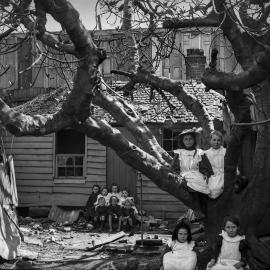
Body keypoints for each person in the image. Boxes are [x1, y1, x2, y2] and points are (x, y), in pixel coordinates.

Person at [171, 128, 213, 195]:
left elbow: (206, 167)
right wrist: (178, 176)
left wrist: (206, 174)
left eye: (190, 139)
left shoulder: (199, 153)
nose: (188, 141)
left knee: (202, 189)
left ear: (194, 140)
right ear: (182, 141)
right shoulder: (179, 153)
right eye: (186, 139)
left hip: (198, 176)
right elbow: (175, 168)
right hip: (183, 176)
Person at [205, 131, 226, 199]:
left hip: (224, 174)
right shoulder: (206, 153)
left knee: (218, 189)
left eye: (218, 140)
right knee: (211, 190)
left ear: (221, 141)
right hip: (213, 176)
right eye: (214, 140)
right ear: (210, 141)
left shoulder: (225, 151)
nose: (216, 142)